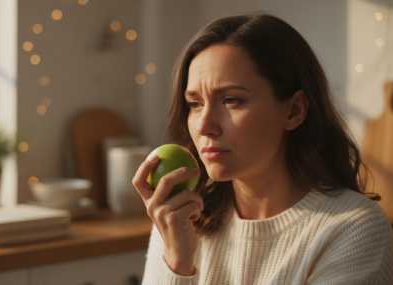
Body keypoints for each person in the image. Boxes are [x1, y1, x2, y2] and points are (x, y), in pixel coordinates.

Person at [132, 14, 393, 284]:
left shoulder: (353, 229)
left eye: (232, 100)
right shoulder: (181, 217)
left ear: (294, 111)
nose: (205, 125)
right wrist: (177, 263)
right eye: (195, 104)